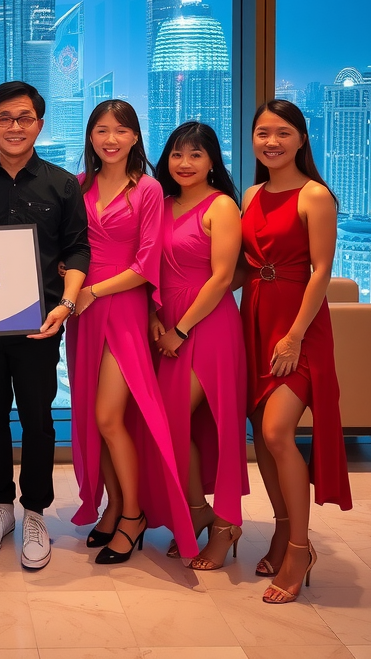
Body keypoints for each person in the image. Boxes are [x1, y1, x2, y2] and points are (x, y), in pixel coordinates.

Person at [0, 80, 90, 570]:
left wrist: (67, 304)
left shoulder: (62, 184)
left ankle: (34, 511)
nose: (15, 127)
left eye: (25, 118)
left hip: (39, 326)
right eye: (5, 118)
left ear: (40, 123)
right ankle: (0, 507)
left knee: (37, 420)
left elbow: (77, 250)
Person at [68, 100, 195, 564]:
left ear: (135, 137)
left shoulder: (148, 190)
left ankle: (134, 515)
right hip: (83, 309)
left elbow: (147, 265)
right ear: (90, 136)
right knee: (91, 418)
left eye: (120, 131)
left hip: (119, 305)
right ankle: (114, 505)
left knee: (108, 416)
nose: (110, 139)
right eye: (101, 130)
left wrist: (94, 291)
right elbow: (68, 244)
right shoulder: (77, 184)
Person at [240, 99, 352, 604]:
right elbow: (242, 265)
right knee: (261, 439)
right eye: (263, 132)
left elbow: (322, 271)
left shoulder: (315, 195)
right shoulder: (251, 193)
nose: (272, 142)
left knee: (276, 431)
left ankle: (301, 547)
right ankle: (283, 530)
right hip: (254, 320)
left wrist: (294, 336)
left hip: (298, 327)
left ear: (302, 139)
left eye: (283, 132)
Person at [152, 122, 249, 570]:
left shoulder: (222, 205)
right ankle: (198, 512)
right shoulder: (162, 203)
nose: (185, 163)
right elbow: (151, 270)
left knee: (190, 421)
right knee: (171, 427)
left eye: (195, 154)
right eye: (177, 154)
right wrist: (156, 317)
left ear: (212, 160)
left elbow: (223, 278)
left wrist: (182, 329)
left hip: (207, 326)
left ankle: (226, 521)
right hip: (168, 322)